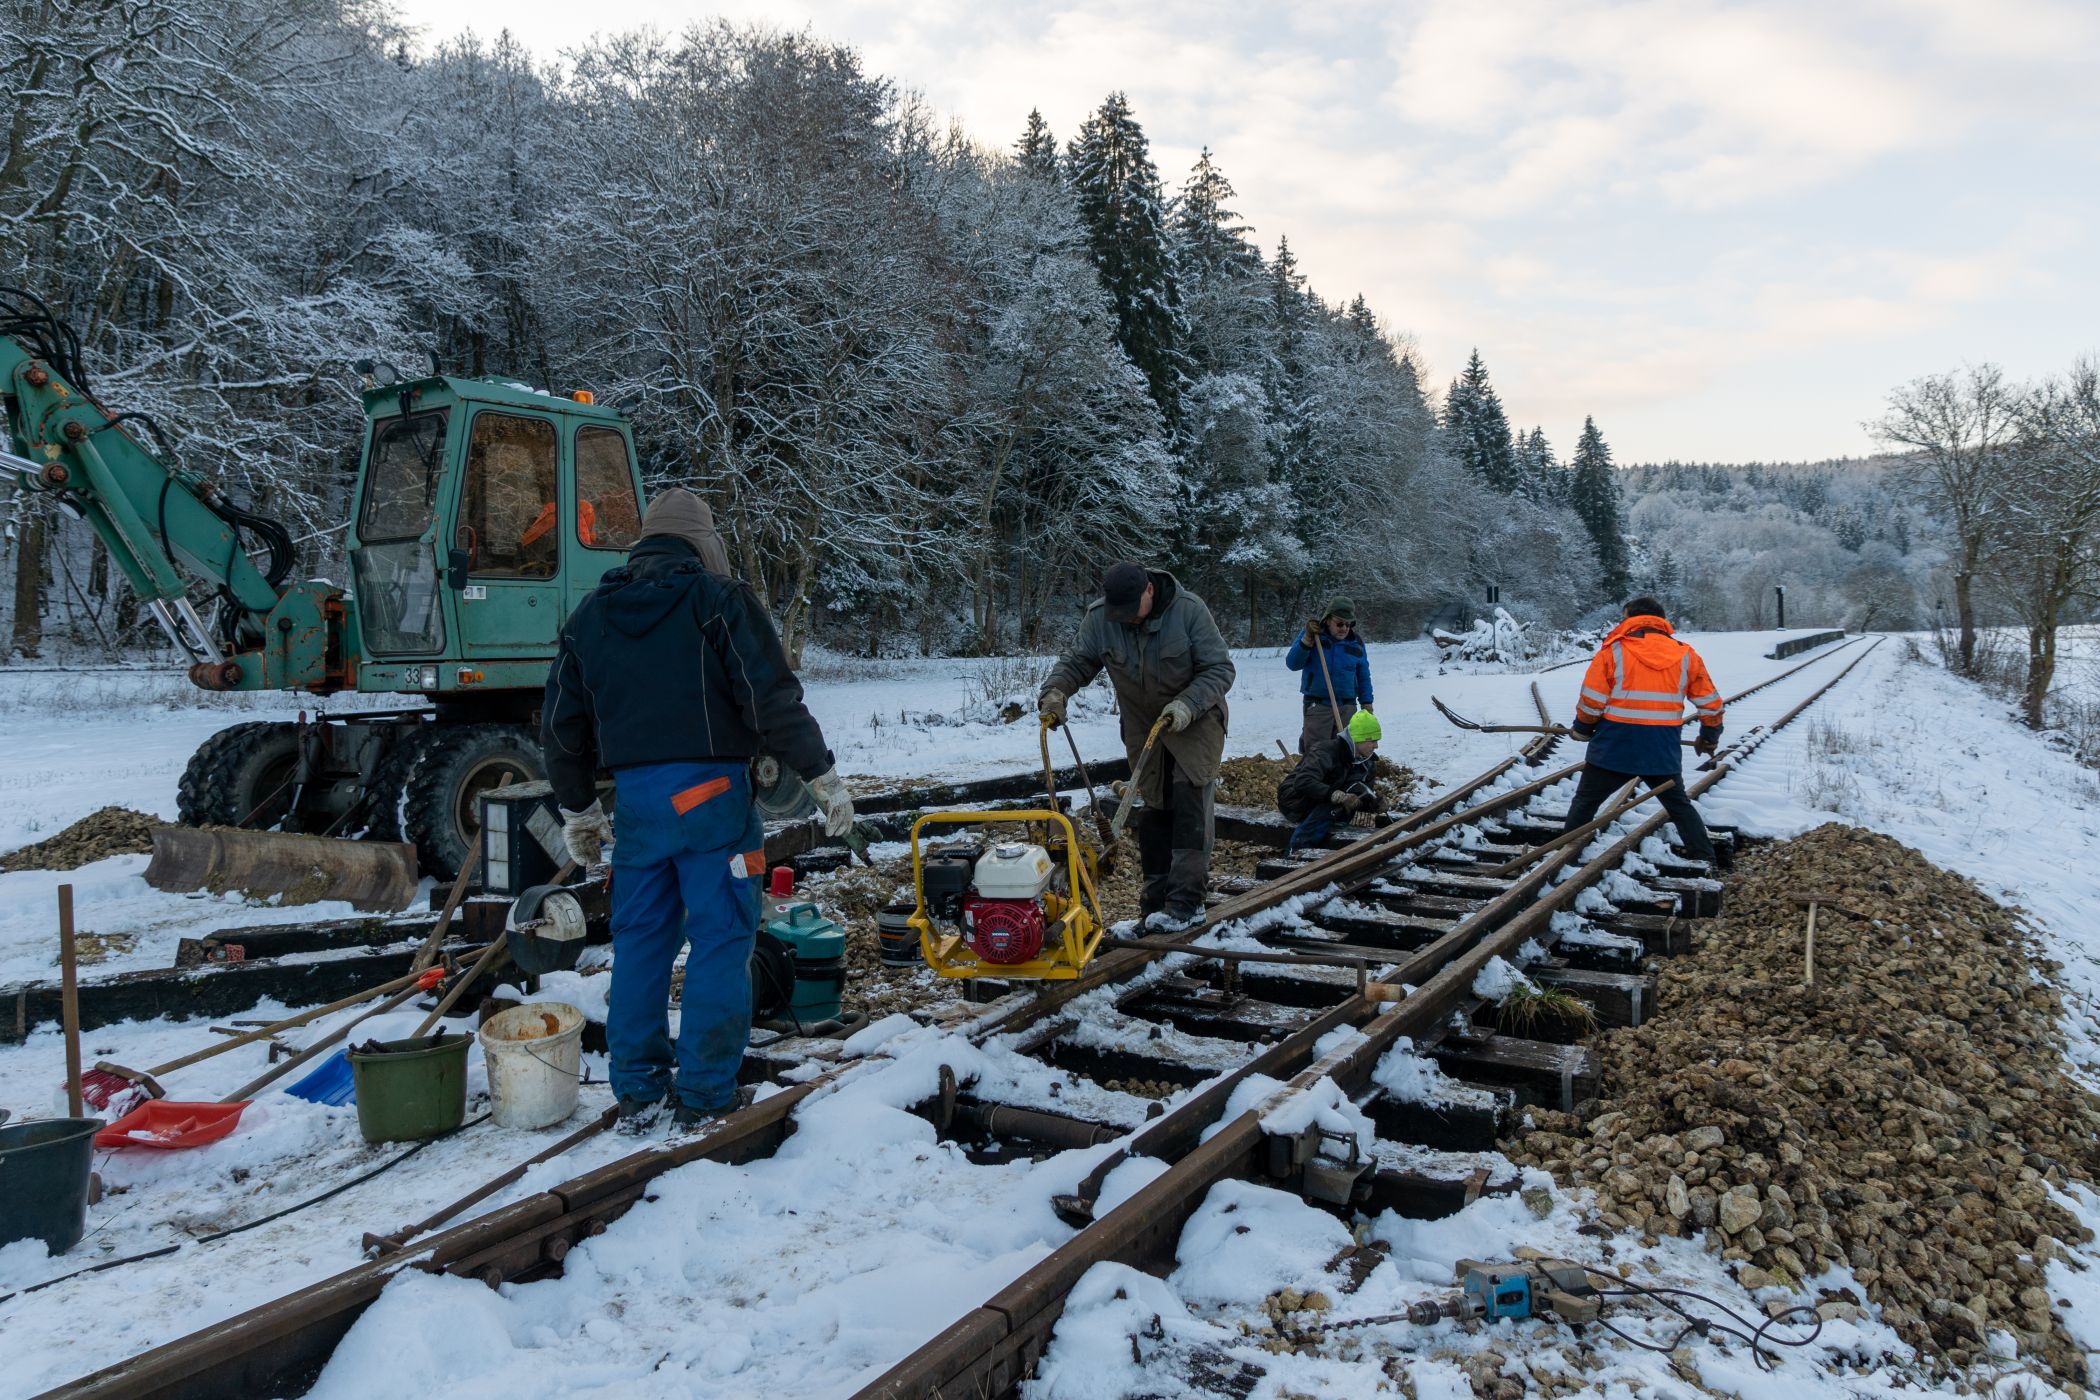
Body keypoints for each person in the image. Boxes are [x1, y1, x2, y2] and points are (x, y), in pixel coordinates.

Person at [542, 488, 856, 1130]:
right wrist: (819, 773)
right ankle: (707, 1091)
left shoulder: (588, 618)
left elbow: (560, 728)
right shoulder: (719, 601)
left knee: (640, 942)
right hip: (711, 802)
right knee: (719, 939)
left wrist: (578, 810)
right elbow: (770, 696)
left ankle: (637, 1088)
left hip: (636, 811)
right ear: (700, 542)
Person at [1040, 561, 1236, 932]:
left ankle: (1186, 904)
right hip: (1144, 726)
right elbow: (1079, 660)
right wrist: (1055, 690)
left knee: (1189, 803)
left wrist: (1186, 705)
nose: (1126, 619)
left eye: (1132, 611)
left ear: (1148, 591)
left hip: (1195, 718)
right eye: (1120, 613)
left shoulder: (1189, 611)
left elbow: (1220, 669)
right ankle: (1154, 905)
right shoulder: (1101, 618)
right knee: (1155, 810)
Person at [1561, 597, 1723, 864]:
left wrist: (1583, 728)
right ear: (1661, 620)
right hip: (1660, 748)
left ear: (1628, 618)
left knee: (1585, 802)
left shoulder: (1613, 652)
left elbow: (1591, 699)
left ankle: (1564, 858)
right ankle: (1705, 858)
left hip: (1614, 744)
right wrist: (1709, 736)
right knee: (1679, 806)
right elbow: (1710, 704)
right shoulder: (1686, 655)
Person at [1277, 708, 1384, 853]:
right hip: (1295, 798)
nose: (1376, 746)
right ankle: (1296, 853)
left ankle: (1326, 853)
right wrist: (1334, 795)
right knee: (1331, 808)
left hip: (1324, 804)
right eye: (1372, 740)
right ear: (1359, 739)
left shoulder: (1367, 764)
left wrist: (1374, 804)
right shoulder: (1325, 751)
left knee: (1342, 808)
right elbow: (1303, 781)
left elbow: (1359, 797)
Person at [1285, 598, 1373, 754]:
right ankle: (1313, 778)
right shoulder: (1314, 636)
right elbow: (1292, 664)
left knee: (1346, 753)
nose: (1344, 628)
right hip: (1318, 706)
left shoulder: (1356, 642)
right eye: (1339, 623)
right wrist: (1307, 639)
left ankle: (1343, 779)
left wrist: (1366, 702)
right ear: (1327, 620)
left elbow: (1363, 675)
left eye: (1348, 624)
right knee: (1316, 753)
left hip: (1347, 707)